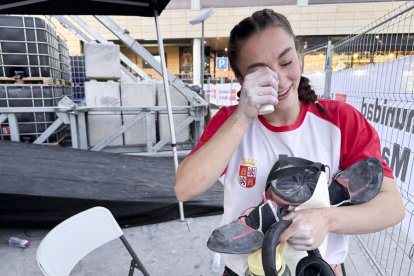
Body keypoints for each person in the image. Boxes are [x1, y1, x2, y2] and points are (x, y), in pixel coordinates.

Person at [175, 8, 405, 276]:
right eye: (260, 72)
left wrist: (327, 219)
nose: (280, 80)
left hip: (316, 268)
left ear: (299, 56)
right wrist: (242, 117)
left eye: (286, 63)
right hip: (244, 270)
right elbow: (184, 189)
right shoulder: (230, 121)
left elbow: (392, 206)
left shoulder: (340, 120)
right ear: (241, 78)